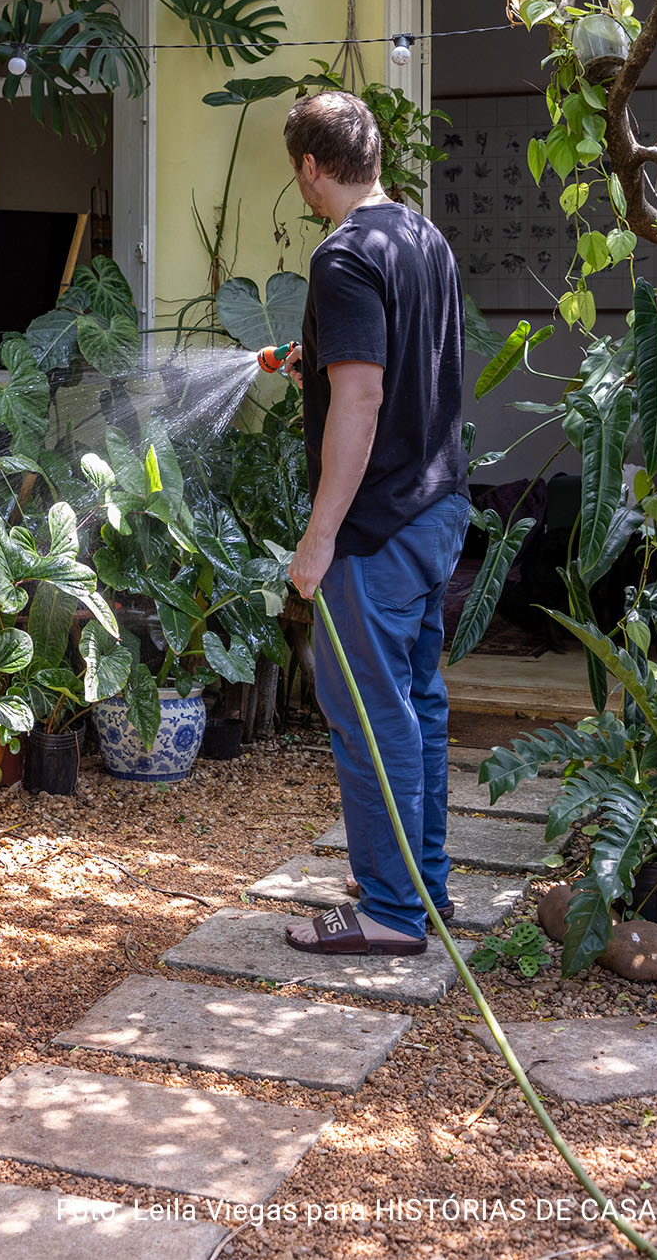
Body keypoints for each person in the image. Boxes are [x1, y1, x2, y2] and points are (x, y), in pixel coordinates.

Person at [279, 90, 469, 956]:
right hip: (438, 509)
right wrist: (309, 366)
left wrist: (319, 536)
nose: (305, 191)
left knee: (370, 715)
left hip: (377, 527)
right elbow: (389, 362)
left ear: (313, 167)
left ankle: (390, 914)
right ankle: (423, 889)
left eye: (301, 176)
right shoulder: (421, 236)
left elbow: (362, 397)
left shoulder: (343, 255)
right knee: (418, 705)